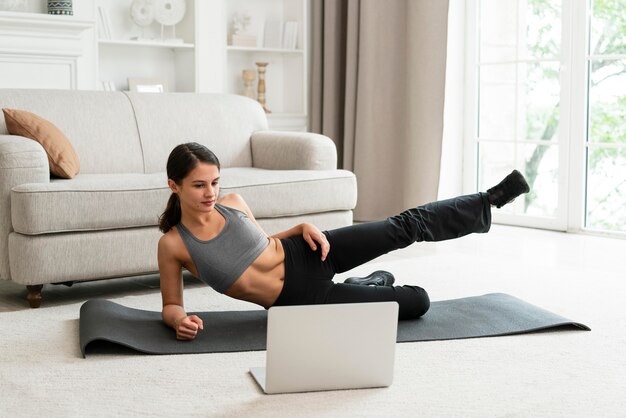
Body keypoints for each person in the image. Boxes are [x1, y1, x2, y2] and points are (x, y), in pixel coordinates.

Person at [158, 142, 530, 341]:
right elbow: (172, 304)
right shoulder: (174, 245)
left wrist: (302, 226)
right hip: (301, 302)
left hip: (310, 252)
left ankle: (488, 200)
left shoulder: (233, 204)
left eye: (215, 182)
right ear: (174, 185)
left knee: (403, 226)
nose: (211, 192)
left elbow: (262, 243)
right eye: (199, 185)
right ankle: (365, 285)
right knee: (418, 302)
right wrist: (179, 322)